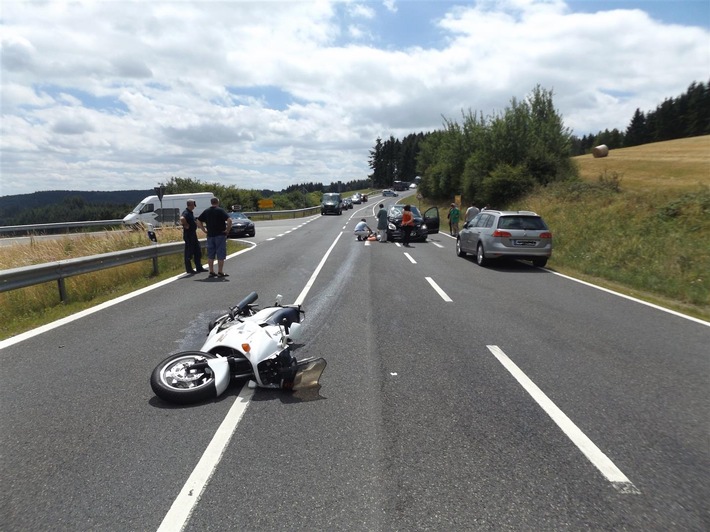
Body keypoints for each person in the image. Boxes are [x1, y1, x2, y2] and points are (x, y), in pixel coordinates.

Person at [197, 197, 232, 277]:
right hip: (220, 235)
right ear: (217, 202)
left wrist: (203, 229)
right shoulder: (220, 210)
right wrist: (227, 230)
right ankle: (220, 271)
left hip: (210, 235)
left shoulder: (206, 211)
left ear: (211, 202)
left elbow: (198, 220)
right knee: (220, 254)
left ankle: (211, 271)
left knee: (210, 254)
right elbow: (229, 220)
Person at [180, 199, 206, 274]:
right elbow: (182, 218)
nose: (194, 206)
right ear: (190, 205)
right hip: (188, 235)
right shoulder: (186, 212)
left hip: (193, 234)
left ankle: (199, 267)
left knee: (197, 251)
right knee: (189, 252)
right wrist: (185, 225)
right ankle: (189, 269)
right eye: (193, 204)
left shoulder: (190, 212)